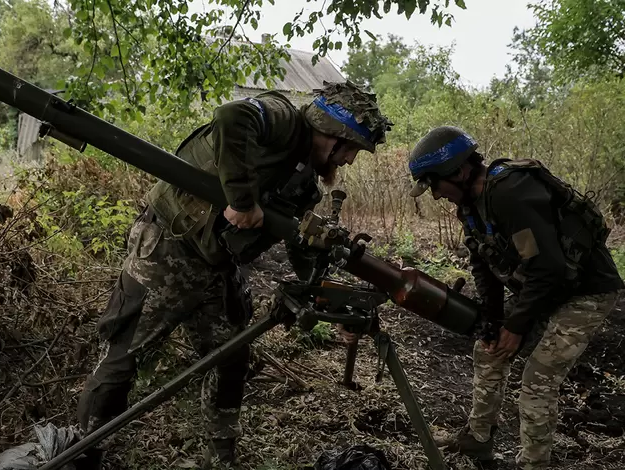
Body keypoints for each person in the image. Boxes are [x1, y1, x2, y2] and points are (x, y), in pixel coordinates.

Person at [76, 81, 392, 468]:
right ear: (334, 133)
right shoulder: (281, 119)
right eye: (352, 150)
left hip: (219, 266)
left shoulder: (305, 186)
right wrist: (242, 200)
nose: (349, 162)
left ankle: (221, 455)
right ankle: (82, 451)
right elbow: (232, 115)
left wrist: (327, 293)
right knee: (125, 354)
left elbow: (297, 245)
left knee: (230, 356)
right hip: (168, 248)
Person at [405, 126, 625, 469]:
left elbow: (548, 266)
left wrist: (518, 325)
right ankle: (478, 440)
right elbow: (484, 264)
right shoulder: (470, 207)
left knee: (537, 380)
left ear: (459, 172)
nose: (435, 195)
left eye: (435, 184)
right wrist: (493, 321)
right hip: (545, 286)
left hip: (586, 290)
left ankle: (533, 463)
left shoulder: (511, 193)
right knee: (488, 349)